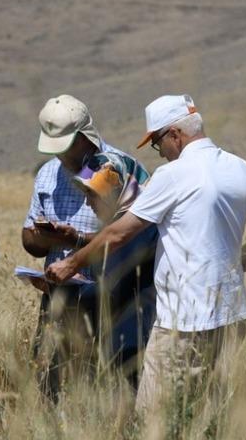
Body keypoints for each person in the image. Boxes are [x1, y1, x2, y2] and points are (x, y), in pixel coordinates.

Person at [46, 94, 246, 415]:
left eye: (157, 143)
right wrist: (245, 253)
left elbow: (119, 233)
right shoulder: (239, 168)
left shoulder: (173, 174)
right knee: (209, 416)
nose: (161, 152)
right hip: (232, 316)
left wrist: (70, 263)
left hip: (183, 323)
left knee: (153, 419)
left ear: (175, 135)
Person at [22, 94, 150, 399]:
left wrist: (75, 242)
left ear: (83, 136)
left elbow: (133, 237)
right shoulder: (47, 174)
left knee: (116, 387)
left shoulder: (119, 169)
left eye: (65, 147)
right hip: (60, 297)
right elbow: (29, 241)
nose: (60, 156)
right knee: (52, 385)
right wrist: (45, 237)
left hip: (117, 300)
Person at [69, 151, 158, 385]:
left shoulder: (135, 231)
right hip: (118, 344)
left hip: (133, 346)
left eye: (93, 194)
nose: (88, 203)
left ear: (116, 191)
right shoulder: (121, 226)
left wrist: (66, 289)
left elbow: (111, 287)